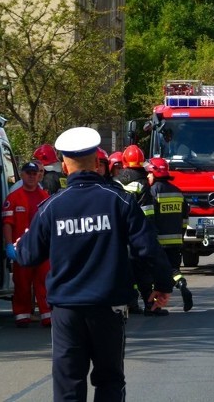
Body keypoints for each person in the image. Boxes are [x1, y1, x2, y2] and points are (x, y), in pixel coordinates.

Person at [15, 127, 174, 401]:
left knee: (68, 385)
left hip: (66, 309)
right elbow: (148, 248)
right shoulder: (120, 200)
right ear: (98, 163)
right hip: (108, 307)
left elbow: (27, 256)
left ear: (64, 166)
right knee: (110, 380)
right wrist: (162, 285)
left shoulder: (51, 207)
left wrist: (20, 244)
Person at [114, 145, 164, 315]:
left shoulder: (116, 181)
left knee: (126, 270)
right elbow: (147, 212)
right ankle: (150, 305)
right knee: (143, 271)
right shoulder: (142, 183)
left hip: (120, 233)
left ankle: (131, 303)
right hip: (137, 232)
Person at [3, 161, 51, 327]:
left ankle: (47, 315)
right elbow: (8, 224)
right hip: (21, 248)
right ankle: (22, 315)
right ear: (22, 175)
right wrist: (9, 245)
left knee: (44, 281)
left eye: (34, 173)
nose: (31, 176)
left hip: (42, 248)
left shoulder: (45, 197)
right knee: (22, 283)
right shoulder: (13, 198)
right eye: (28, 173)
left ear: (39, 175)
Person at [145, 157, 193, 312]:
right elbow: (185, 218)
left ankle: (155, 306)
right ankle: (181, 283)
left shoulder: (153, 191)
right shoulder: (177, 192)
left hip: (159, 242)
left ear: (154, 173)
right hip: (176, 240)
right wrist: (181, 234)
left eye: (149, 174)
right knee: (173, 269)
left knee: (157, 274)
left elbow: (150, 217)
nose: (147, 177)